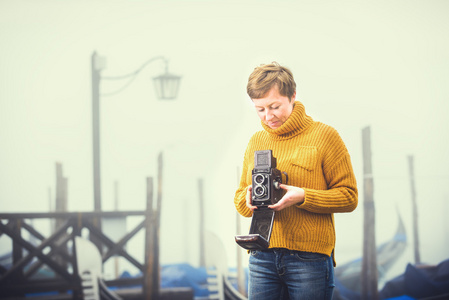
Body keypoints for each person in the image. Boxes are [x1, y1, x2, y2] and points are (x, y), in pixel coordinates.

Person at [234, 62, 358, 300]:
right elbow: (240, 199)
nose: (268, 116)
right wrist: (247, 199)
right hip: (261, 257)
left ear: (292, 96)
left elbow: (349, 197)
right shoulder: (256, 141)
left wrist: (303, 196)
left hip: (309, 259)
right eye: (260, 109)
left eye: (274, 106)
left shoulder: (325, 136)